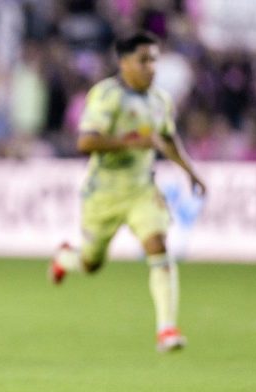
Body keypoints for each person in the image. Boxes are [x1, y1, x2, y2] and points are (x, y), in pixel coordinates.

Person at [48, 32, 206, 353]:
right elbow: (86, 142)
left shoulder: (160, 100)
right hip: (102, 193)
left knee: (158, 245)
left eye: (154, 60)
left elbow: (168, 139)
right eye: (143, 60)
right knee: (91, 264)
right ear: (123, 63)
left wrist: (190, 172)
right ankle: (66, 257)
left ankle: (167, 329)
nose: (151, 67)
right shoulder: (107, 97)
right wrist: (132, 142)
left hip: (141, 190)